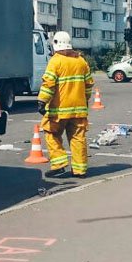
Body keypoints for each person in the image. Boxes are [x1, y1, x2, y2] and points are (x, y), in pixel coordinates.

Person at [37, 31, 93, 179]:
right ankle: (80, 170)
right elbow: (88, 85)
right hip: (79, 109)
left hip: (59, 109)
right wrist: (85, 100)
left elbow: (49, 84)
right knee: (78, 138)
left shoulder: (56, 61)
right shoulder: (81, 61)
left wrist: (42, 101)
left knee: (51, 133)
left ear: (55, 44)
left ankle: (59, 165)